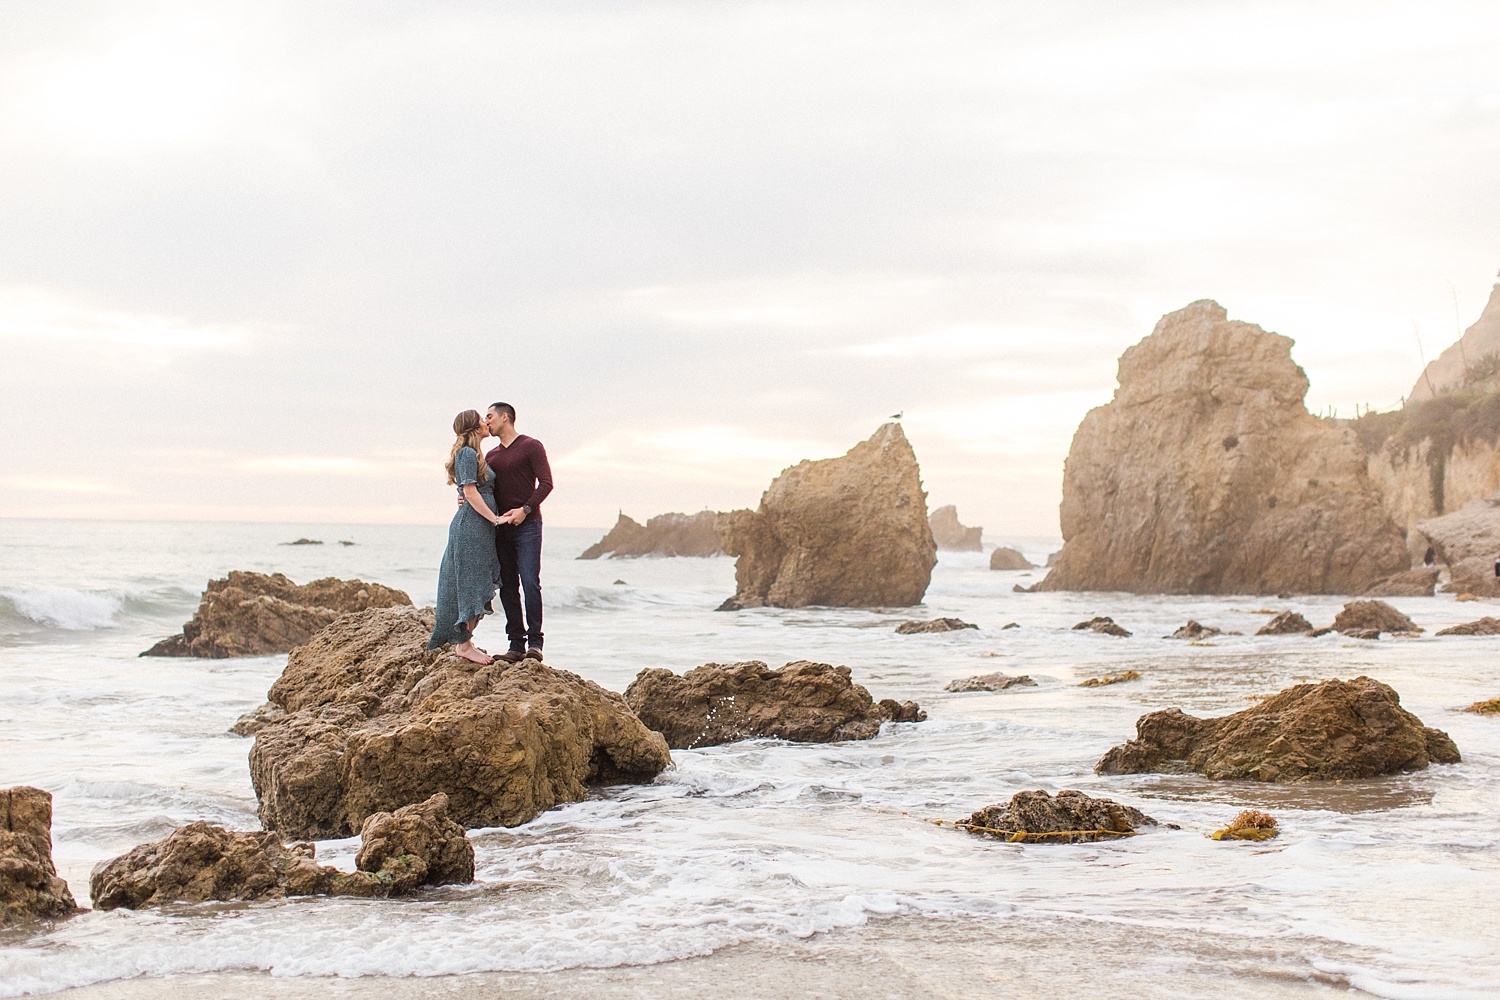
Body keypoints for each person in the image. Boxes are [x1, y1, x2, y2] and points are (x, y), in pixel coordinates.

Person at [428, 409, 506, 663]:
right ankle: (464, 645)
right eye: (482, 419)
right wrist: (495, 518)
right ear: (474, 428)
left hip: (479, 528)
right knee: (470, 584)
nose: (486, 422)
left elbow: (466, 489)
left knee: (477, 582)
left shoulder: (474, 454)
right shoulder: (467, 453)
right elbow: (470, 492)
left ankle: (466, 641)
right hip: (471, 528)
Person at [484, 402, 553, 662]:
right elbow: (483, 489)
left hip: (529, 526)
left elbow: (546, 484)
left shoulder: (531, 446)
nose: (486, 421)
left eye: (489, 416)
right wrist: (464, 499)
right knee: (508, 587)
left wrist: (525, 510)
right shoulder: (490, 456)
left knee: (531, 583)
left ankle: (535, 644)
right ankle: (516, 646)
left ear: (505, 417)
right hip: (501, 529)